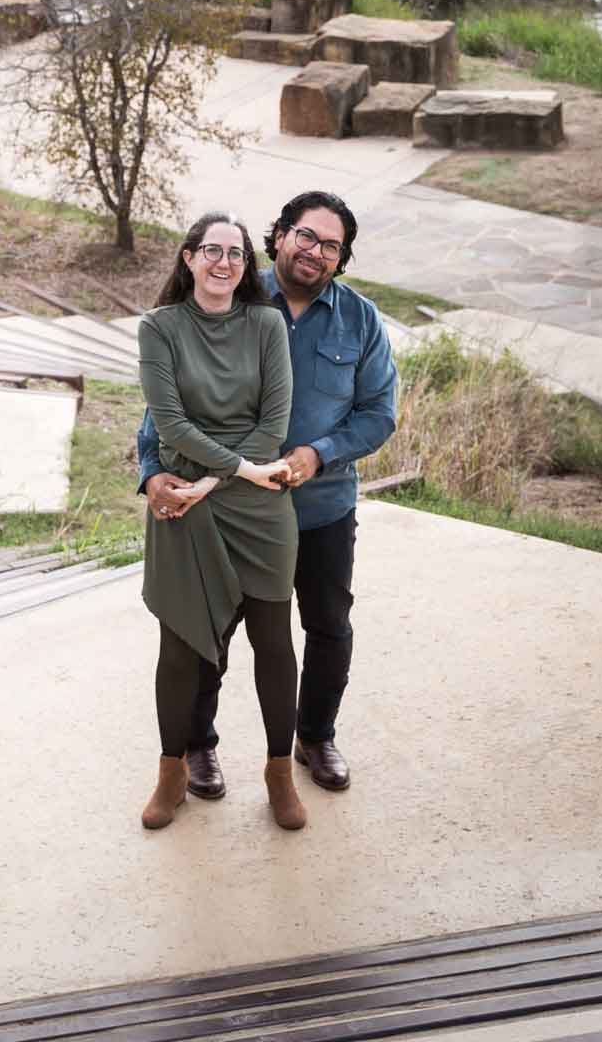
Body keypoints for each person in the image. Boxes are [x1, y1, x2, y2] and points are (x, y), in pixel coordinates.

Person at [138, 188, 397, 802]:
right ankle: (198, 749)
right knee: (209, 635)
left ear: (341, 259)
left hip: (322, 504)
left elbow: (379, 413)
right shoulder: (231, 290)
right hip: (229, 503)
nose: (316, 251)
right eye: (306, 236)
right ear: (279, 235)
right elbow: (167, 410)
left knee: (326, 626)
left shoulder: (358, 320)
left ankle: (314, 737)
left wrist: (318, 452)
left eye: (331, 246)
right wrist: (152, 472)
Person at [137, 210, 308, 834]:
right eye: (212, 251)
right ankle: (172, 773)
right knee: (180, 647)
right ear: (188, 258)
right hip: (190, 499)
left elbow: (275, 424)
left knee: (272, 643)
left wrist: (217, 479)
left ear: (246, 266)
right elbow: (171, 423)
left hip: (257, 502)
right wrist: (221, 475)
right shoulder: (158, 329)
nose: (224, 263)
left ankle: (279, 773)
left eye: (236, 255)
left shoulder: (266, 323)